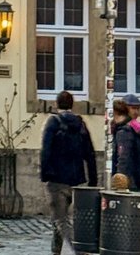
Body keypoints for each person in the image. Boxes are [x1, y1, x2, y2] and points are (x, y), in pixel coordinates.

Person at [39, 90, 97, 255]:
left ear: (56, 104)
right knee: (58, 218)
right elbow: (90, 152)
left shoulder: (52, 122)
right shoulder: (80, 123)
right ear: (72, 105)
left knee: (60, 219)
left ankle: (79, 251)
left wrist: (45, 174)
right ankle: (55, 251)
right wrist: (92, 179)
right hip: (76, 179)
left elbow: (45, 150)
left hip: (56, 179)